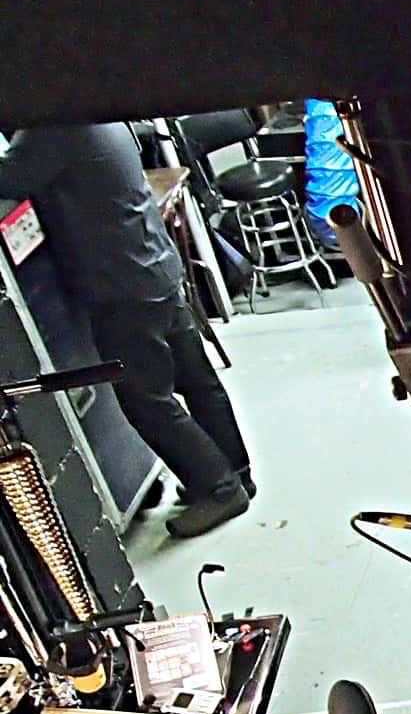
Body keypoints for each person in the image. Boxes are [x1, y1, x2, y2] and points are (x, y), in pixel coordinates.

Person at [0, 124, 253, 537]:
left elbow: (9, 178)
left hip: (122, 286)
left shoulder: (51, 128)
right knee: (196, 380)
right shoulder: (97, 111)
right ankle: (236, 472)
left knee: (145, 401)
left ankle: (219, 489)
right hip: (153, 264)